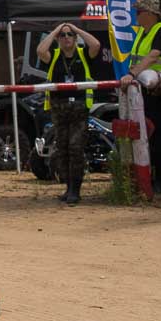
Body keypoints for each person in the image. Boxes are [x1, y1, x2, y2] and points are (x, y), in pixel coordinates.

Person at [36, 21, 104, 205]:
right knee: (62, 149)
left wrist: (76, 29)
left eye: (69, 35)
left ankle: (76, 189)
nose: (66, 38)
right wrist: (56, 30)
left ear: (75, 38)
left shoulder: (83, 54)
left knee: (76, 148)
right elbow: (41, 50)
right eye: (63, 35)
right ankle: (67, 187)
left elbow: (96, 44)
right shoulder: (54, 55)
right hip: (59, 110)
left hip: (79, 110)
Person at [124, 0, 161, 191]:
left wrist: (132, 74)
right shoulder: (141, 33)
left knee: (159, 136)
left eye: (139, 12)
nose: (136, 15)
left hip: (159, 93)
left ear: (151, 14)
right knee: (143, 135)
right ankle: (146, 178)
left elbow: (153, 57)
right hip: (142, 92)